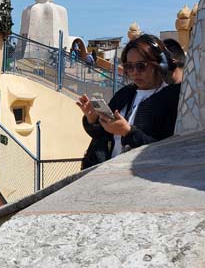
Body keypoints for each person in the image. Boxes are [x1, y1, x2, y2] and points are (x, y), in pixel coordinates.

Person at [76, 34, 180, 169]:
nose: (135, 72)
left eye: (141, 66)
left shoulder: (172, 99)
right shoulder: (124, 94)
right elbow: (102, 135)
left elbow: (167, 151)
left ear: (159, 65)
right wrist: (93, 119)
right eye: (129, 67)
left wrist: (128, 132)